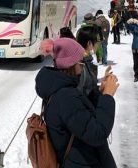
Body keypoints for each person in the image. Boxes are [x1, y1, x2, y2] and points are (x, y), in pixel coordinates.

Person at [36, 37, 119, 167]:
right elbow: (97, 133)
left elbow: (82, 115)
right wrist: (108, 96)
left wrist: (100, 93)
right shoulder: (66, 97)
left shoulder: (62, 88)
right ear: (71, 64)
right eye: (81, 62)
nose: (83, 67)